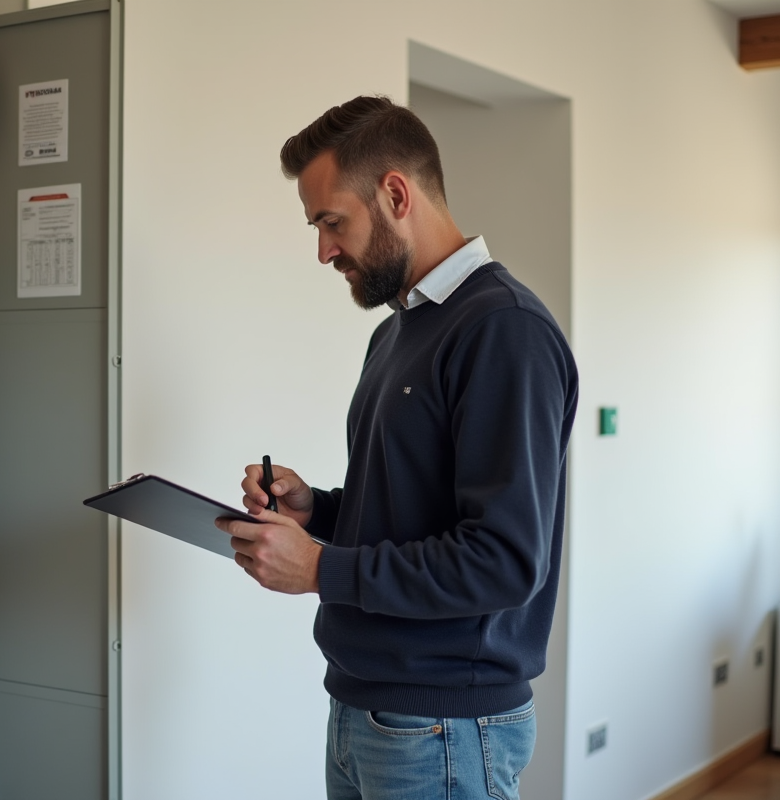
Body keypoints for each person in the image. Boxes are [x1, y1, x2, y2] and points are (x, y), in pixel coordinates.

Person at [214, 96, 579, 800]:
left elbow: (502, 561)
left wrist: (322, 568)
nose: (322, 250)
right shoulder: (397, 333)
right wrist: (314, 509)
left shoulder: (504, 330)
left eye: (331, 222)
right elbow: (414, 509)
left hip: (442, 728)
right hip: (366, 712)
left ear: (395, 193)